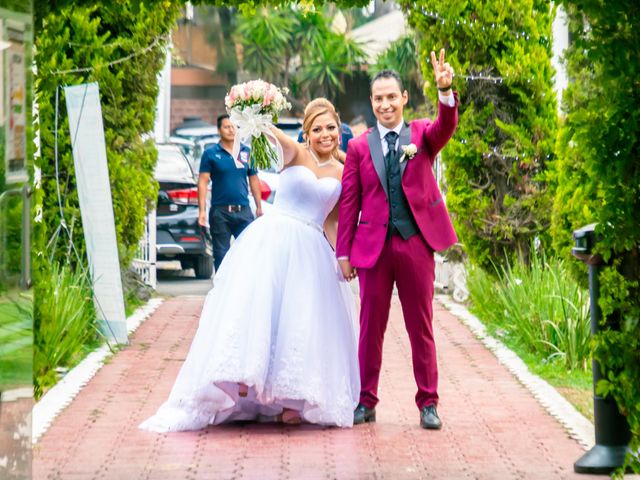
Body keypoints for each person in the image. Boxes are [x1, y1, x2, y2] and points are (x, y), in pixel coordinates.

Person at [140, 98, 360, 432]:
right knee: (260, 309)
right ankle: (245, 382)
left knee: (299, 321)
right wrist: (251, 103)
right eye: (317, 129)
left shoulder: (344, 173)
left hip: (312, 249)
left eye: (330, 127)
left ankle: (290, 400)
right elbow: (267, 132)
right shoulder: (294, 153)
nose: (325, 134)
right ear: (307, 132)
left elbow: (333, 222)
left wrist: (342, 257)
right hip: (274, 239)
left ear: (338, 128)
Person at [336, 49, 458, 430]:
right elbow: (350, 201)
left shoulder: (422, 134)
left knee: (420, 325)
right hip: (373, 248)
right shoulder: (358, 147)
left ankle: (428, 403)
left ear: (404, 98)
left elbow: (446, 126)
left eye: (392, 96)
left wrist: (445, 91)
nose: (385, 104)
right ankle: (366, 400)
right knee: (370, 327)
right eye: (378, 98)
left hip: (414, 243)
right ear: (372, 103)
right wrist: (344, 252)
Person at [197, 114, 263, 272]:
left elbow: (254, 179)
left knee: (247, 250)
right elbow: (203, 182)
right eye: (227, 127)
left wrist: (259, 206)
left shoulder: (246, 152)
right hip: (220, 212)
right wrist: (202, 211)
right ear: (219, 130)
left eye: (235, 127)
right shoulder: (211, 153)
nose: (231, 130)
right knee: (221, 254)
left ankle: (244, 285)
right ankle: (221, 287)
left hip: (244, 211)